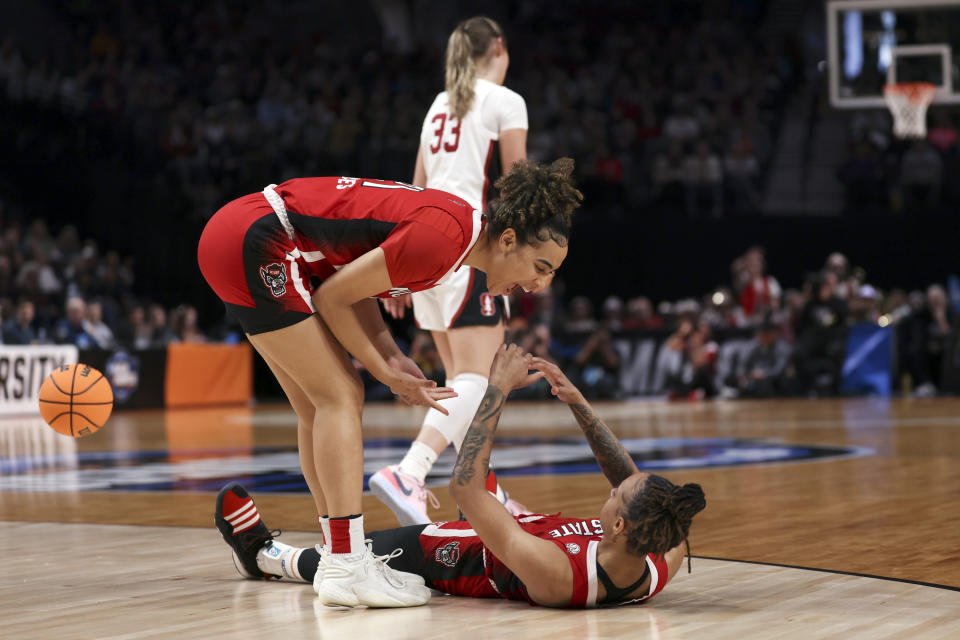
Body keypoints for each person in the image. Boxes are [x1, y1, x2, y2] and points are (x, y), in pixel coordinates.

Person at [199, 160, 581, 608]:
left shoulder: (453, 237)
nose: (538, 284)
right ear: (509, 239)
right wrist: (384, 374)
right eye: (540, 266)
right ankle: (346, 560)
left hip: (243, 233)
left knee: (315, 406)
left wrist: (393, 355)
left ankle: (337, 557)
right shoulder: (444, 239)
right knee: (342, 395)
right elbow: (333, 297)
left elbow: (352, 285)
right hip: (260, 235)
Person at [215, 345, 705, 608]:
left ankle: (262, 556)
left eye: (616, 495)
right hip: (520, 526)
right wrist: (579, 403)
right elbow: (633, 482)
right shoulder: (659, 547)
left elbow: (465, 488)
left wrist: (494, 392)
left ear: (619, 526)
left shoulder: (562, 576)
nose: (615, 485)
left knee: (349, 556)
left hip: (461, 554)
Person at [370, 16, 532, 526]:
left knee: (461, 384)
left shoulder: (438, 105)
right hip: (471, 248)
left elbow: (413, 192)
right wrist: (528, 260)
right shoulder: (506, 101)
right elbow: (518, 189)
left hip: (423, 252)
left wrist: (394, 270)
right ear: (500, 49)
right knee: (478, 383)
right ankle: (409, 472)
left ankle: (491, 496)